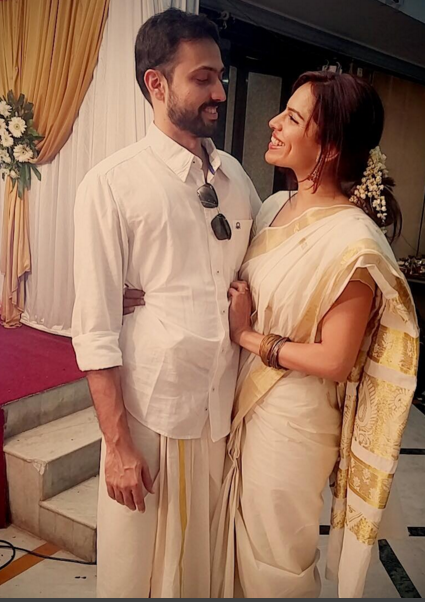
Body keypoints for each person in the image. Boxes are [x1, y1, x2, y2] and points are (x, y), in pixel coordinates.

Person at [71, 8, 261, 598]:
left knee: (203, 568)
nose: (220, 91)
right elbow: (95, 329)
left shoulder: (235, 177)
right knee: (137, 574)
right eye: (202, 78)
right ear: (156, 83)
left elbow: (263, 266)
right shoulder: (112, 184)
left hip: (222, 411)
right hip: (151, 413)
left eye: (219, 76)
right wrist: (118, 447)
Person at [208, 71, 419, 598]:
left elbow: (336, 360)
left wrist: (248, 336)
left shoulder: (354, 240)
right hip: (244, 401)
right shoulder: (273, 206)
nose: (274, 123)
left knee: (277, 557)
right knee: (236, 540)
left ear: (329, 147)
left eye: (293, 118)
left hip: (294, 420)